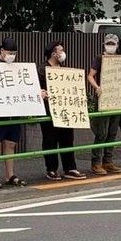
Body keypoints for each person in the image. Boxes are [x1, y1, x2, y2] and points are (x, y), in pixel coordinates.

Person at [38, 41, 86, 181]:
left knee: (67, 138)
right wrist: (41, 92)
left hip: (65, 108)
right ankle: (51, 169)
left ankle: (70, 167)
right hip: (48, 110)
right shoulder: (42, 69)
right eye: (61, 50)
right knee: (50, 139)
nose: (63, 52)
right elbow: (36, 87)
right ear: (53, 53)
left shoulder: (63, 68)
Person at [0, 37, 26, 188]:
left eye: (14, 53)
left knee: (10, 143)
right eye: (9, 52)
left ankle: (10, 174)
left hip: (13, 109)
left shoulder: (17, 68)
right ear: (2, 51)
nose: (12, 56)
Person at [87, 33, 121, 176]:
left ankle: (107, 161)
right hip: (103, 99)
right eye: (108, 44)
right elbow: (90, 75)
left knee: (113, 131)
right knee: (101, 132)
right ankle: (96, 162)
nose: (110, 46)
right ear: (104, 45)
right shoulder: (99, 58)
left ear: (117, 45)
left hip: (117, 98)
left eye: (113, 44)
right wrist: (97, 87)